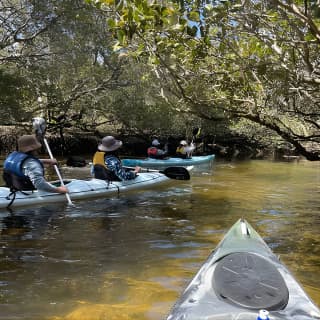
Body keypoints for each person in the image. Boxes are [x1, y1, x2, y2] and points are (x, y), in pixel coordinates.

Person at [3, 135, 68, 194]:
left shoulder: (13, 156)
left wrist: (47, 161)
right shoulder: (32, 164)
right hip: (26, 192)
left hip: (11, 188)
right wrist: (60, 190)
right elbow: (40, 185)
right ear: (35, 148)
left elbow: (25, 165)